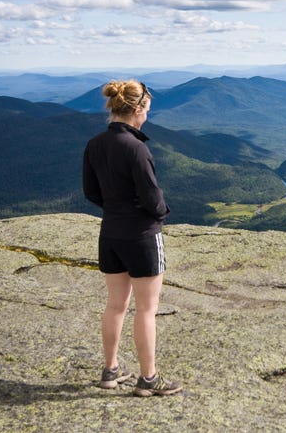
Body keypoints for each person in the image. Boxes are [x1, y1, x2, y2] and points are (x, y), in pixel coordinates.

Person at [82, 79, 181, 397]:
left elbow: (90, 191)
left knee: (115, 306)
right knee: (146, 310)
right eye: (147, 110)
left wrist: (116, 208)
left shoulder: (95, 144)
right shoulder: (137, 148)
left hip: (110, 233)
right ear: (138, 109)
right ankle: (148, 379)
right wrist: (160, 214)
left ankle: (110, 371)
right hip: (141, 236)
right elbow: (152, 197)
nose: (147, 116)